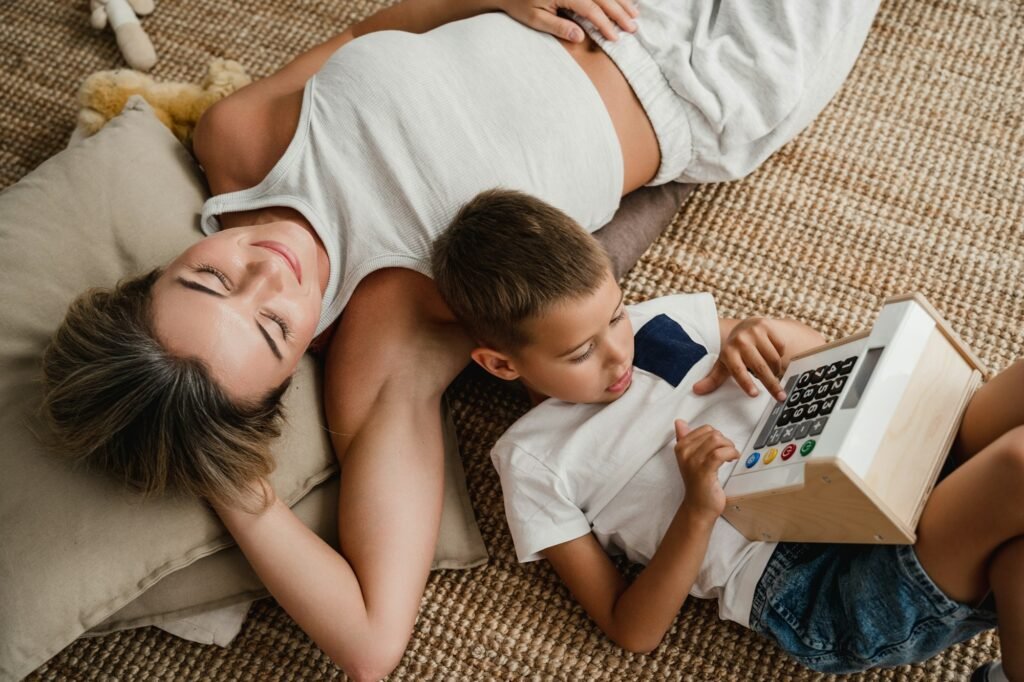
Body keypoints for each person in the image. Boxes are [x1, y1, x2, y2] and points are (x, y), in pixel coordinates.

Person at [40, 1, 881, 678]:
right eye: (271, 327)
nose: (270, 272)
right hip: (709, 84)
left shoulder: (236, 137)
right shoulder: (384, 342)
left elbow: (371, 33)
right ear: (290, 371)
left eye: (208, 277)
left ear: (159, 271)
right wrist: (229, 482)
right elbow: (372, 644)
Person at [431, 188, 1018, 679]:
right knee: (1013, 467)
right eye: (581, 352)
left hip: (869, 462)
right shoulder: (533, 461)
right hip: (807, 580)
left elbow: (821, 364)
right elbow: (629, 627)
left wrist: (770, 336)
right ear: (502, 365)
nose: (618, 357)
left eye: (614, 315)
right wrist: (696, 511)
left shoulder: (662, 320)